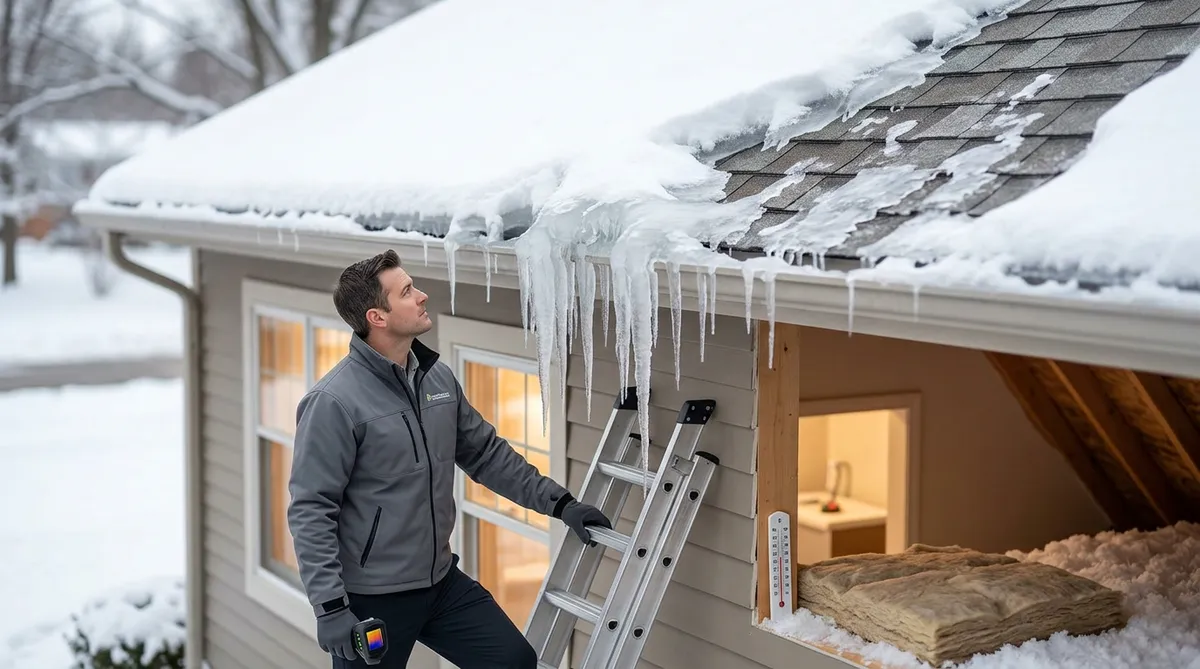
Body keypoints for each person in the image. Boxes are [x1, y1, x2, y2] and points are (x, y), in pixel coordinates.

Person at [287, 249, 612, 668]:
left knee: (513, 660)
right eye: (407, 291)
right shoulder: (333, 402)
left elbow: (485, 454)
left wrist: (561, 504)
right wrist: (330, 607)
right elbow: (312, 509)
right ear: (377, 317)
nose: (422, 296)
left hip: (440, 583)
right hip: (372, 599)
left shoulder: (435, 378)